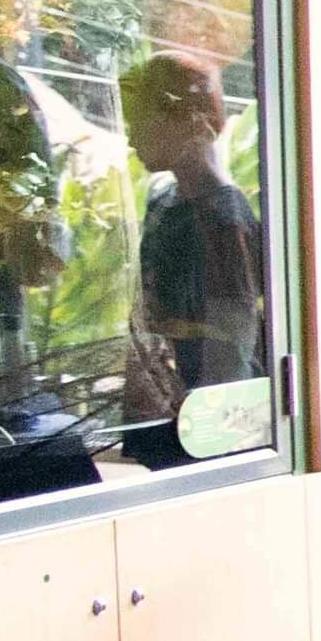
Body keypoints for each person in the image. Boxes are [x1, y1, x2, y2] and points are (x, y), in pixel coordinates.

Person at [118, 50, 266, 407]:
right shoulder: (163, 200)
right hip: (162, 413)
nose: (132, 138)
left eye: (142, 122)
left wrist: (205, 423)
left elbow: (231, 356)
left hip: (199, 426)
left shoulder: (224, 222)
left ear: (192, 123)